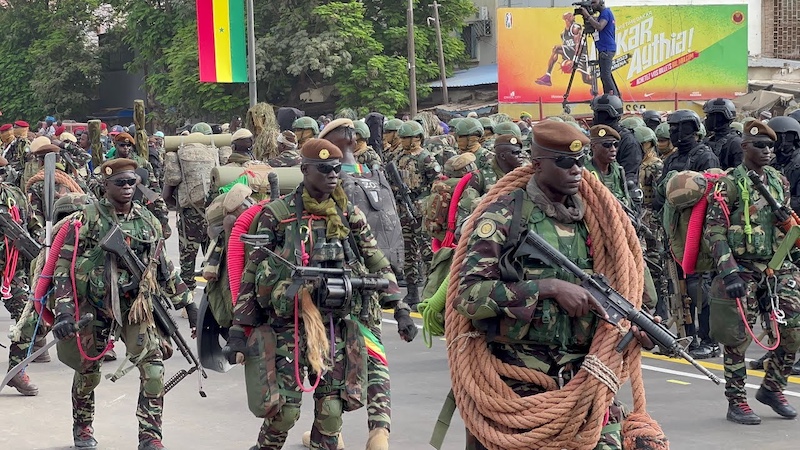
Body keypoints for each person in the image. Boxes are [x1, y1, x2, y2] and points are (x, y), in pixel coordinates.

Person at [456, 120, 655, 449]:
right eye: (564, 162)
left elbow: (620, 282)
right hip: (518, 379)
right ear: (537, 165)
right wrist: (546, 288)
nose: (576, 169)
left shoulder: (595, 222)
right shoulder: (505, 217)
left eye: (581, 160)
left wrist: (634, 326)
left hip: (583, 377)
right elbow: (469, 297)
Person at [226, 139, 415, 450]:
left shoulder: (347, 213)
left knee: (330, 412)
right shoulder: (278, 214)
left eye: (336, 169)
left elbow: (375, 260)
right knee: (283, 413)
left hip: (334, 324)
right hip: (287, 323)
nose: (332, 175)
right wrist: (238, 329)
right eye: (324, 168)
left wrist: (400, 306)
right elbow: (251, 273)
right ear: (305, 170)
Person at [51, 158, 197, 450]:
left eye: (133, 182)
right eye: (121, 182)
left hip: (136, 307)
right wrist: (64, 310)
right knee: (87, 373)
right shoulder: (86, 219)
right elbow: (63, 266)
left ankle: (150, 436)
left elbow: (164, 267)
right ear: (106, 185)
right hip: (94, 306)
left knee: (154, 369)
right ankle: (82, 427)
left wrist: (188, 304)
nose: (128, 187)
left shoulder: (147, 220)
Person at [704, 120, 800, 425]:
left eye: (770, 146)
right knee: (736, 338)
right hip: (741, 268)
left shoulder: (779, 181)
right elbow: (714, 231)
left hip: (775, 265)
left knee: (793, 329)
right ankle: (736, 401)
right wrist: (729, 271)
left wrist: (791, 259)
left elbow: (785, 228)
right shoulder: (729, 183)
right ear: (745, 147)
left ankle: (772, 387)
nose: (767, 151)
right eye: (760, 145)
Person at [1, 155, 46, 395]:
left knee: (27, 317)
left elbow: (32, 224)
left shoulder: (14, 196)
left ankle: (17, 370)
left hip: (11, 273)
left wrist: (39, 240)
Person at [391, 121, 441, 309]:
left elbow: (437, 184)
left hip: (421, 209)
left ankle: (432, 291)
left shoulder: (426, 158)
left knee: (427, 251)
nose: (403, 141)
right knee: (408, 252)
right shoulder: (397, 158)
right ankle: (412, 292)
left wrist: (425, 203)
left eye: (407, 138)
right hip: (403, 209)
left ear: (417, 138)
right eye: (402, 137)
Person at [591, 94, 642, 187]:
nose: (600, 117)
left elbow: (629, 176)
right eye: (599, 113)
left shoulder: (628, 141)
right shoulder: (592, 136)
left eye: (605, 115)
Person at [535, 12, 591, 90]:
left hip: (580, 54)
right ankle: (547, 77)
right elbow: (565, 49)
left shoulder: (575, 28)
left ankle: (596, 84)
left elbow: (578, 45)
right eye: (571, 16)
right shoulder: (563, 34)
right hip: (571, 53)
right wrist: (565, 62)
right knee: (556, 49)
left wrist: (574, 60)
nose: (573, 17)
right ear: (566, 19)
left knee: (586, 80)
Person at [584, 124, 629, 207]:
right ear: (594, 147)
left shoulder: (617, 170)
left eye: (615, 145)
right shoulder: (586, 173)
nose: (613, 149)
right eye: (607, 145)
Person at [580, 0, 618, 95]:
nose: (592, 5)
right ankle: (609, 97)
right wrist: (590, 17)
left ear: (601, 2)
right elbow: (597, 24)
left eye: (594, 2)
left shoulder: (605, 13)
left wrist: (588, 16)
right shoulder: (604, 14)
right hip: (605, 49)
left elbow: (600, 26)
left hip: (606, 49)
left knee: (605, 76)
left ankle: (616, 98)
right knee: (606, 76)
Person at [703, 98, 743, 170]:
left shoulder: (735, 143)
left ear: (718, 117)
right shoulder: (709, 140)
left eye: (708, 116)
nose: (706, 119)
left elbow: (740, 173)